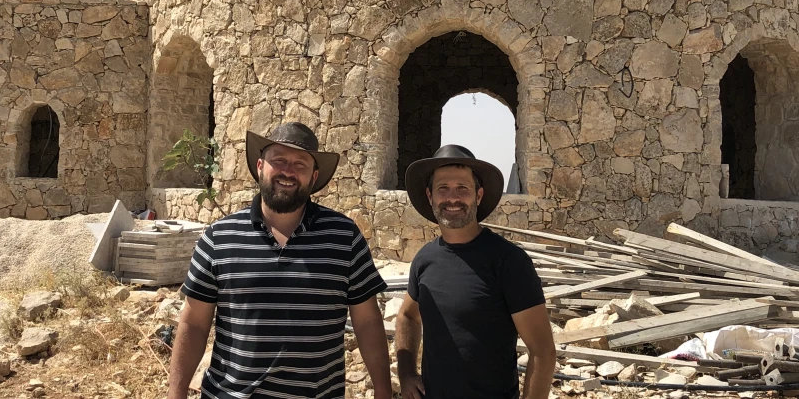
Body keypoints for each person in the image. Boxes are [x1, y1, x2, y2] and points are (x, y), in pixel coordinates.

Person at [167, 122, 393, 399]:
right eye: (279, 160)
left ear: (314, 176)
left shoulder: (344, 237)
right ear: (260, 166)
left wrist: (383, 391)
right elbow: (194, 324)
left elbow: (367, 321)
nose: (288, 171)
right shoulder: (218, 237)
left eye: (301, 164)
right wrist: (175, 393)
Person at [394, 145, 555, 399]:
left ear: (478, 195)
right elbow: (407, 316)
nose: (452, 198)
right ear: (430, 196)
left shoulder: (508, 261)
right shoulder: (424, 259)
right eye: (442, 188)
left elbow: (543, 351)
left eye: (463, 188)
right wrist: (406, 374)